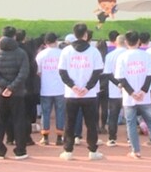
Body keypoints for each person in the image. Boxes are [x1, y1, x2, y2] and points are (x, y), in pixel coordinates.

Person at [115, 31, 151, 159]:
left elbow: (121, 78)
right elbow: (150, 75)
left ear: (126, 42)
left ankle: (136, 151)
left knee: (131, 123)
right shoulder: (146, 56)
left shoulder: (122, 57)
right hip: (144, 97)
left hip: (129, 97)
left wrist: (132, 93)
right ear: (139, 42)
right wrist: (143, 91)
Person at [58, 23, 104, 161]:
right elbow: (97, 72)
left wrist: (73, 86)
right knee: (91, 124)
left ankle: (68, 151)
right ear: (85, 35)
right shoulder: (94, 51)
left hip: (71, 94)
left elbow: (62, 72)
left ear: (74, 34)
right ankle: (93, 151)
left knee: (69, 122)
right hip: (89, 94)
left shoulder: (66, 51)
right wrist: (87, 88)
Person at [0, 26, 30, 160]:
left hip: (0, 92)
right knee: (19, 121)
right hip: (17, 93)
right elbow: (23, 73)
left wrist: (5, 87)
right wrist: (11, 87)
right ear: (14, 36)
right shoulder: (21, 53)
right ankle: (20, 150)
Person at [35, 32, 66, 146]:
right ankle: (59, 137)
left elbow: (38, 72)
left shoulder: (41, 55)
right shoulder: (62, 53)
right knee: (60, 112)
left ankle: (45, 137)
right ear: (56, 41)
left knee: (45, 113)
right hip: (61, 88)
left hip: (46, 88)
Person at [101, 34, 127, 147]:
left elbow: (107, 74)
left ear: (116, 43)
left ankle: (112, 138)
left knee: (113, 115)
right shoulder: (128, 54)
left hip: (114, 90)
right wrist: (124, 85)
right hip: (129, 90)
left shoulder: (110, 56)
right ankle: (130, 138)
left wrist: (118, 84)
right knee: (129, 116)